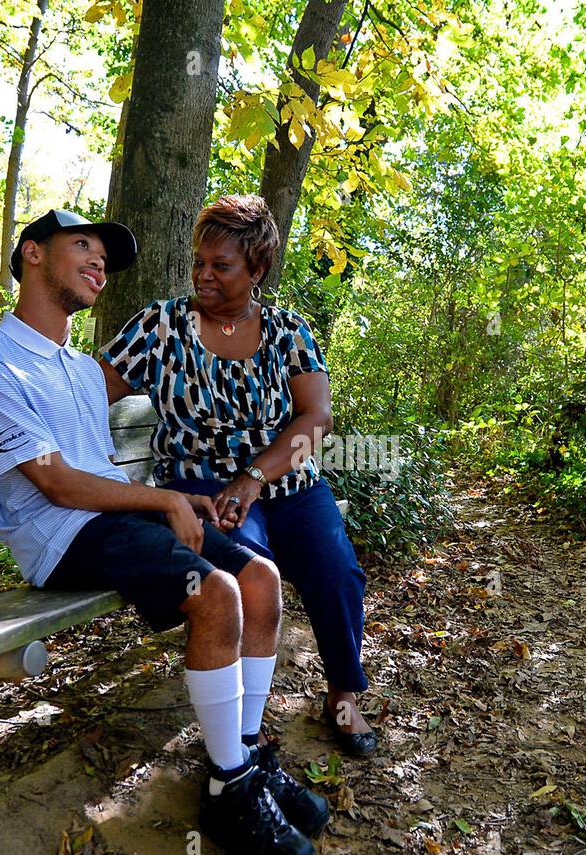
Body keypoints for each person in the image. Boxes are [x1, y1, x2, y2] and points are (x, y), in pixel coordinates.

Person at [0, 208, 327, 855]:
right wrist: (167, 496)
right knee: (214, 594)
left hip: (113, 521)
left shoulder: (74, 367)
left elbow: (107, 461)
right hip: (59, 536)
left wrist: (183, 495)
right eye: (83, 248)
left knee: (262, 579)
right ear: (33, 255)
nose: (99, 262)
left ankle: (246, 757)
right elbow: (59, 484)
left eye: (104, 255)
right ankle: (228, 790)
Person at [98, 194, 378, 756]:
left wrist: (255, 477)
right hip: (200, 487)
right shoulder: (162, 327)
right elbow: (86, 396)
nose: (204, 275)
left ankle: (343, 694)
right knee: (252, 573)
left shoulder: (287, 332)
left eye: (221, 266)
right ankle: (243, 732)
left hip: (288, 487)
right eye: (199, 261)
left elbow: (316, 416)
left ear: (257, 269)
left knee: (337, 571)